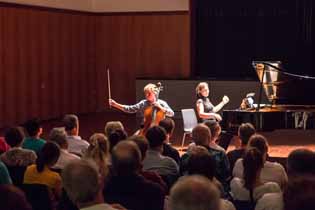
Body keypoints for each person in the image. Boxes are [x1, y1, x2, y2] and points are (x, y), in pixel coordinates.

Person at [109, 83, 174, 132]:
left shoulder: (162, 103)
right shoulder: (143, 103)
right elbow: (130, 109)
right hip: (146, 128)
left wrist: (160, 107)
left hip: (160, 129)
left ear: (155, 93)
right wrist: (116, 105)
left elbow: (171, 114)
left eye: (149, 93)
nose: (147, 95)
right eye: (145, 93)